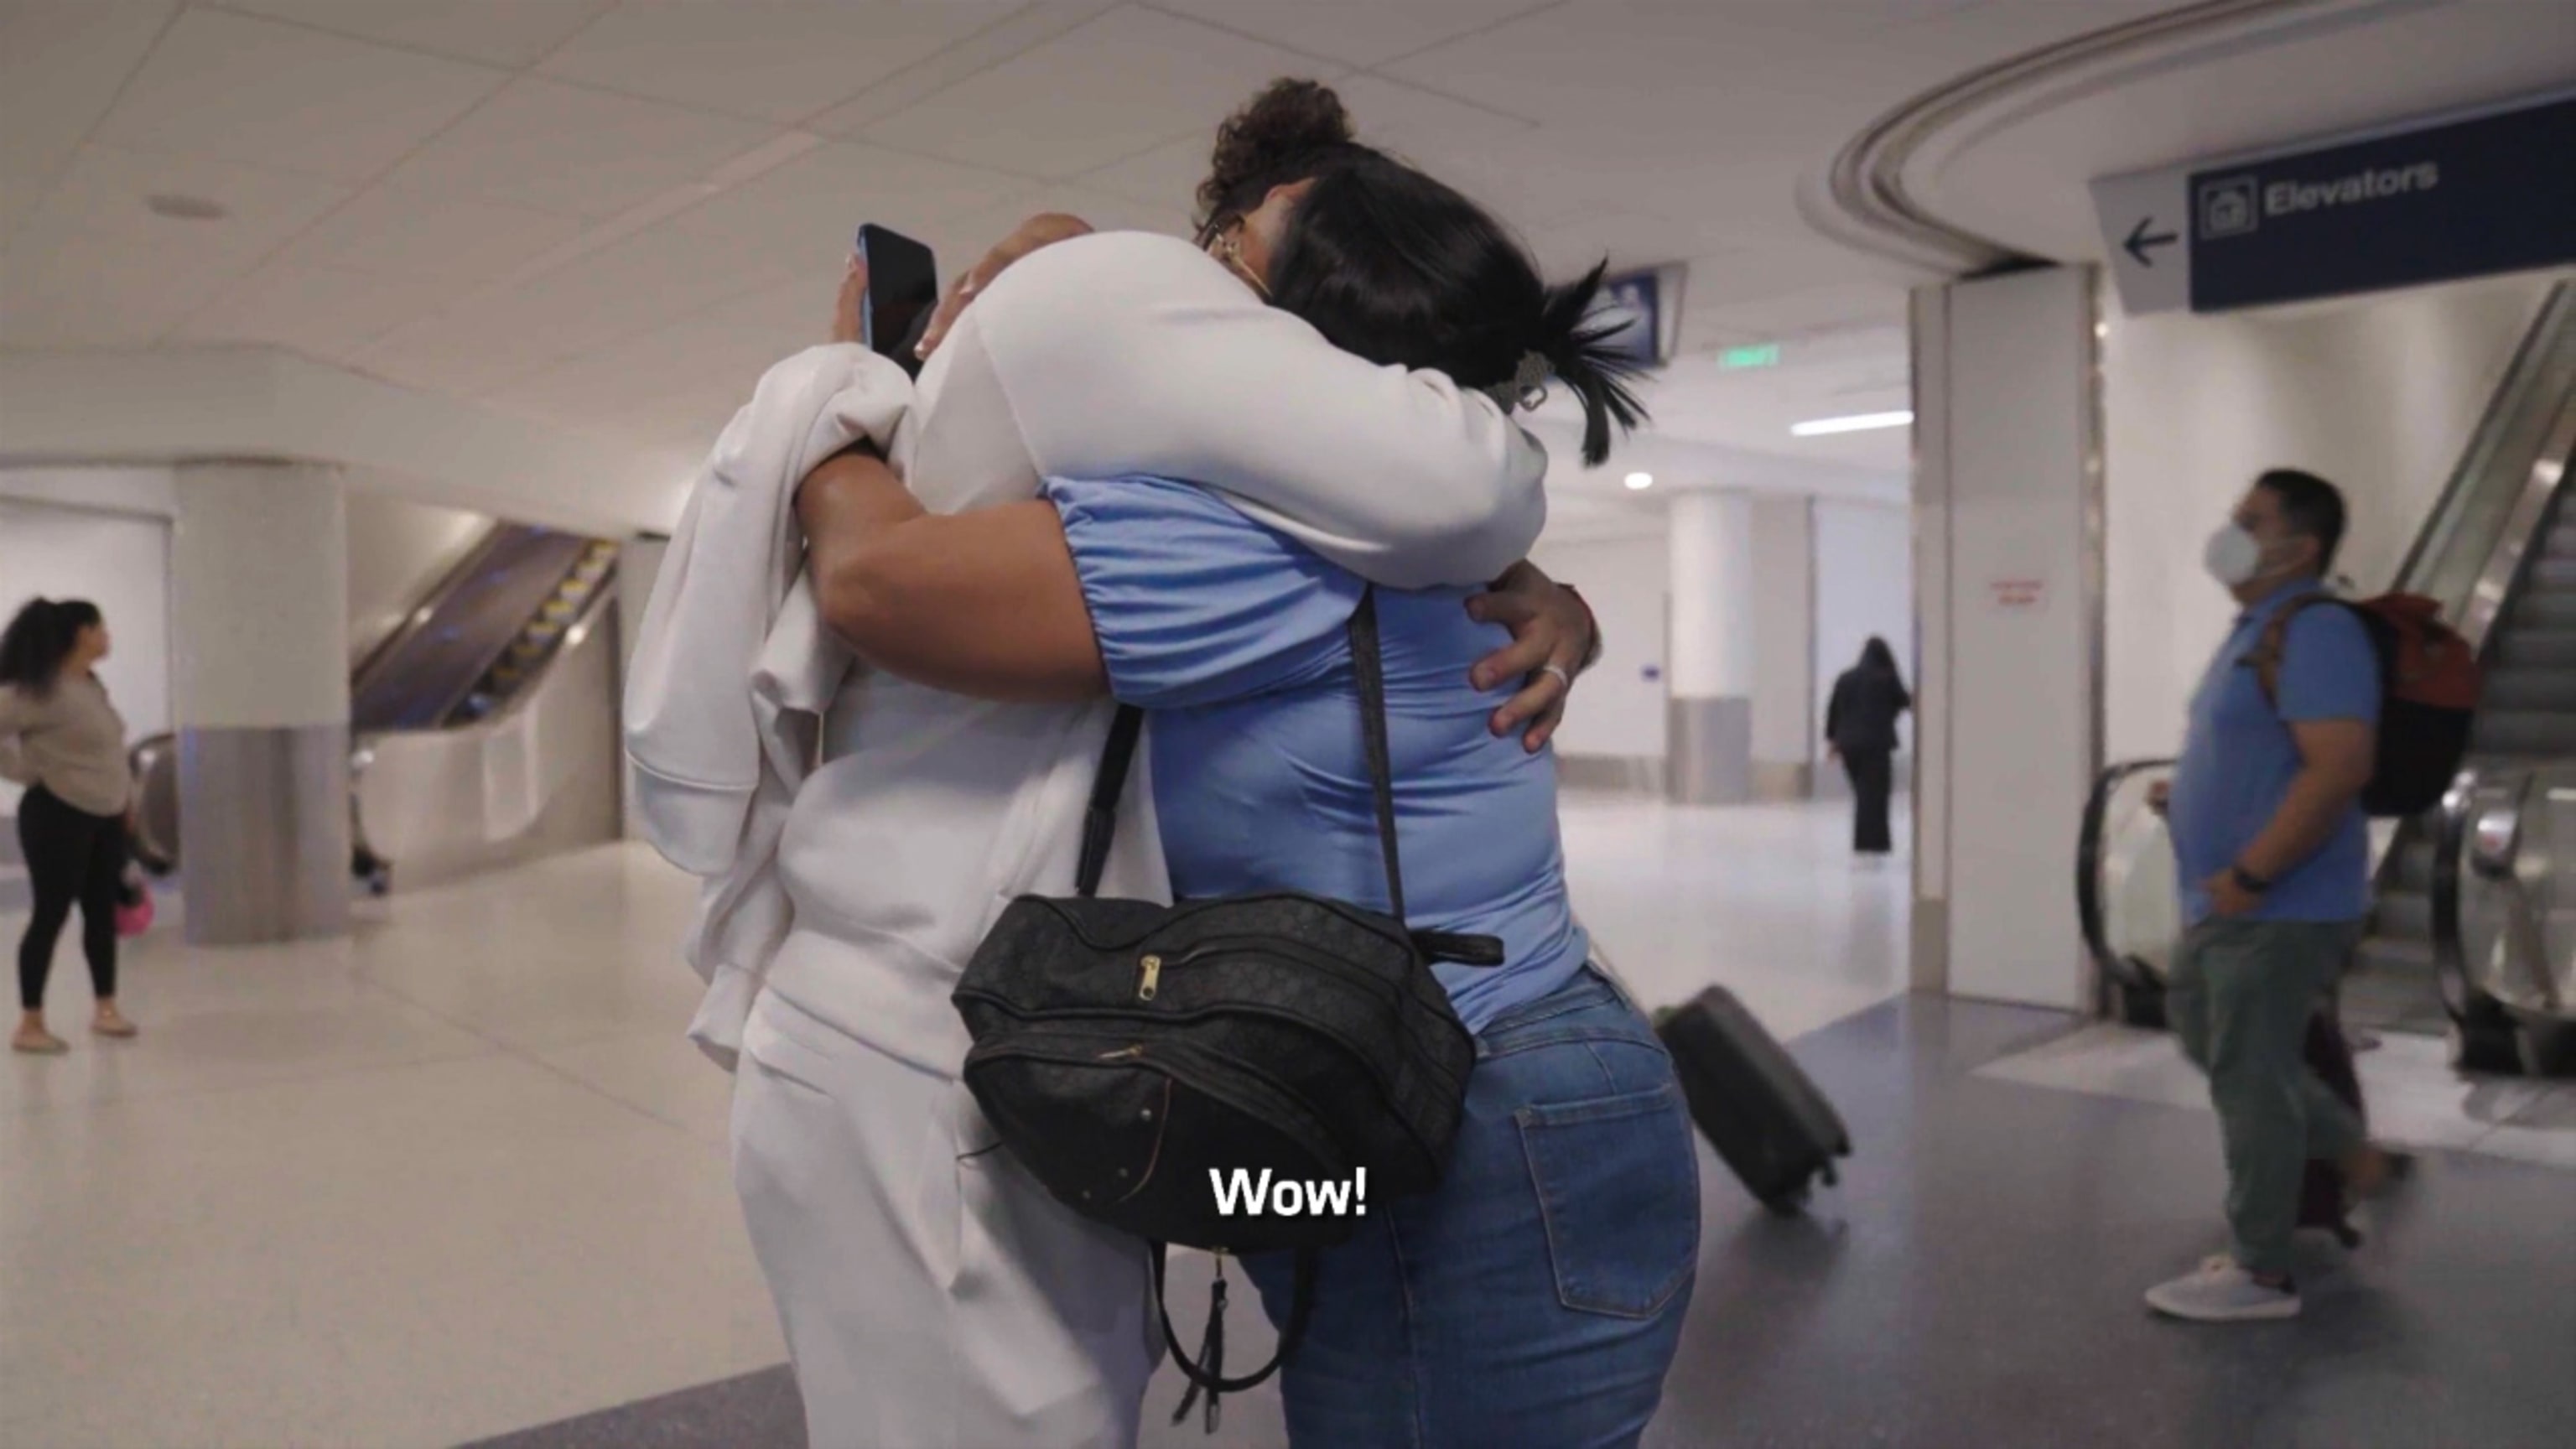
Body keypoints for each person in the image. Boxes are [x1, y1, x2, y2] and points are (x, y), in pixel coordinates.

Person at [632, 80, 1607, 1448]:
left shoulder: (1254, 516)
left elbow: (1449, 502)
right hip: (948, 1057)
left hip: (1064, 1048)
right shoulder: (1219, 442)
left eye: (1241, 255)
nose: (1202, 264)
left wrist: (836, 412)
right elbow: (877, 583)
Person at [2143, 469, 2397, 1323]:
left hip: (2275, 906)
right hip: (2228, 905)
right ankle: (2346, 1150)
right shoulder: (2258, 627)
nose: (2233, 530)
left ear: (2302, 546)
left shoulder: (2319, 629)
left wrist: (2252, 872)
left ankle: (2261, 1270)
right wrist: (2189, 798)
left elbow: (2338, 769)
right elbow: (2262, 753)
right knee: (2204, 1028)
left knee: (2249, 1076)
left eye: (2252, 520)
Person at [1, 599, 140, 1054]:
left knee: (101, 912)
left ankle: (105, 1008)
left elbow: (105, 752)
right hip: (57, 815)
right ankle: (30, 1023)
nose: (107, 635)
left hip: (104, 815)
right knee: (51, 912)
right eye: (100, 627)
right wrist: (24, 772)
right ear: (81, 633)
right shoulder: (43, 690)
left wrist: (125, 801)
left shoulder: (90, 685)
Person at [1825, 636, 1909, 855]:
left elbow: (1834, 712)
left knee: (1863, 795)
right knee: (1875, 796)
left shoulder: (1845, 679)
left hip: (1849, 747)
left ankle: (1862, 842)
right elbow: (1904, 701)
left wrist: (1833, 742)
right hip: (1876, 745)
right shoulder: (1887, 678)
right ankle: (1877, 842)